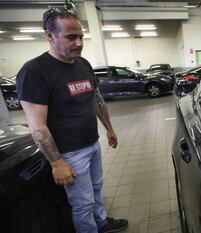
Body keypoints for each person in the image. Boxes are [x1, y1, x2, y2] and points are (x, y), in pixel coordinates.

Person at [16, 6, 128, 233]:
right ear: (50, 35)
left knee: (96, 188)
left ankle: (102, 222)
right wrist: (57, 162)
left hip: (92, 143)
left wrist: (109, 128)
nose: (79, 43)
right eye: (71, 37)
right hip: (69, 152)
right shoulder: (35, 72)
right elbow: (37, 124)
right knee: (82, 203)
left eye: (80, 37)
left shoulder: (83, 64)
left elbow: (96, 100)